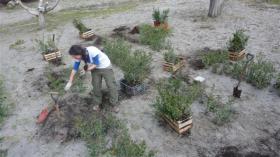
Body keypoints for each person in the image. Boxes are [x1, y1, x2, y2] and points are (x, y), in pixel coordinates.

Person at [64, 45, 119, 113]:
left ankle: (114, 104)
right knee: (96, 86)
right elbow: (75, 68)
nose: (74, 58)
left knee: (111, 85)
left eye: (75, 56)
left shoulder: (92, 51)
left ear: (80, 53)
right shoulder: (78, 56)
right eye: (73, 56)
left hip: (105, 66)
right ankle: (97, 103)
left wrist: (86, 70)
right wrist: (70, 81)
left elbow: (96, 63)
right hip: (95, 68)